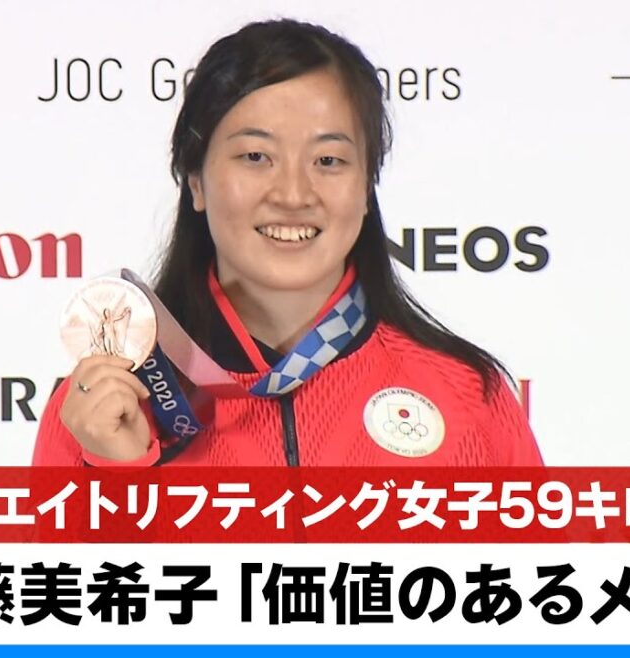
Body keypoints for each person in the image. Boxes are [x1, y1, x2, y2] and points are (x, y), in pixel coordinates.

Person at [32, 19, 543, 467]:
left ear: (366, 189)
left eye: (328, 161)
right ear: (196, 182)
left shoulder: (472, 398)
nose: (294, 194)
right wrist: (115, 483)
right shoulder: (100, 407)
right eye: (255, 156)